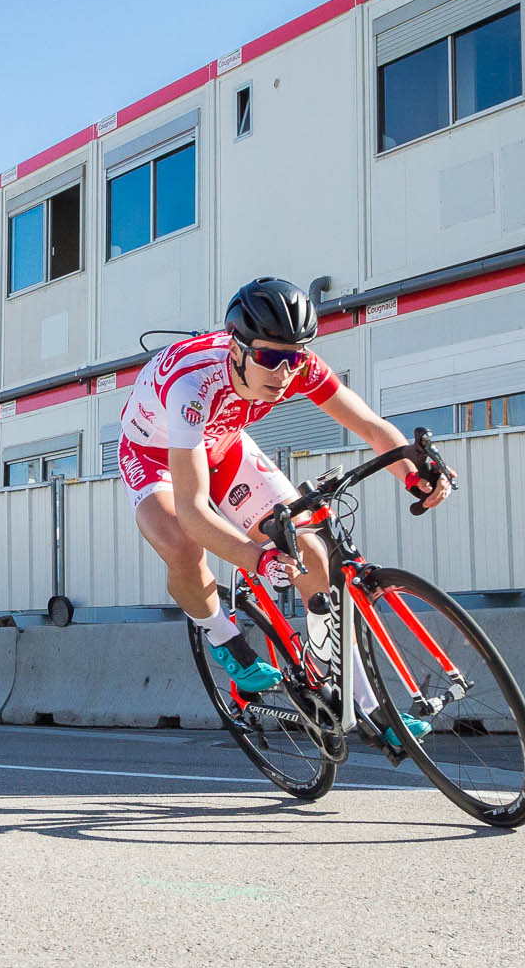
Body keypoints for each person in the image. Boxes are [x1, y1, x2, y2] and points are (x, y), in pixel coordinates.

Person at [120, 277, 451, 699]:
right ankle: (224, 638)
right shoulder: (192, 386)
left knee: (309, 549)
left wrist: (412, 472)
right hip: (155, 453)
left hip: (222, 442)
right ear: (237, 348)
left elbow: (369, 426)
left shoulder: (298, 366)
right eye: (270, 358)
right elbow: (192, 509)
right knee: (182, 544)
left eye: (294, 358)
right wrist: (256, 558)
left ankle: (356, 700)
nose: (283, 372)